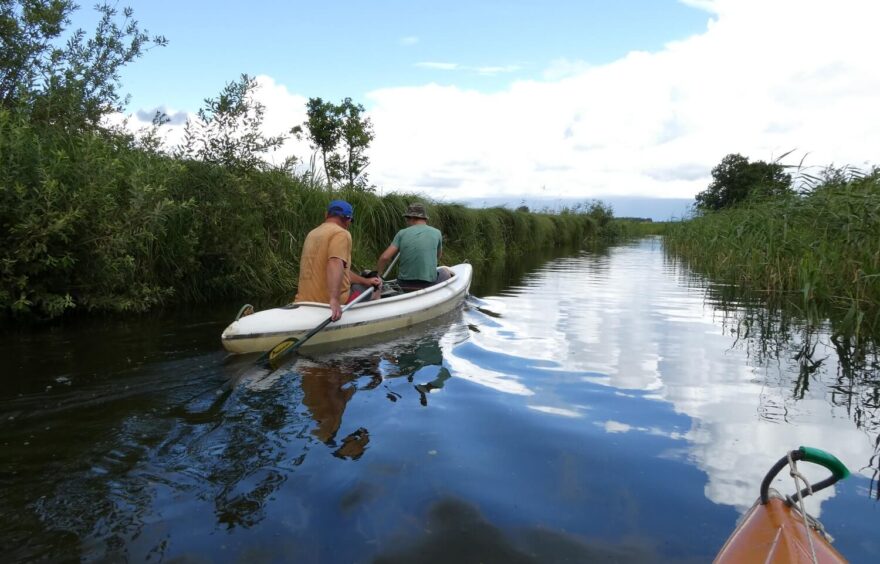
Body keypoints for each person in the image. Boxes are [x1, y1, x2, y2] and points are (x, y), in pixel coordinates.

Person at [295, 200, 381, 321]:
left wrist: (366, 281)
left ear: (327, 215)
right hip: (328, 302)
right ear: (348, 220)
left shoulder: (312, 233)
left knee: (363, 284)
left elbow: (341, 270)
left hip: (304, 300)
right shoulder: (341, 233)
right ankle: (375, 317)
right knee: (377, 287)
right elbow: (335, 263)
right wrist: (334, 299)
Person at [377, 202, 445, 292]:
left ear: (412, 218)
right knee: (445, 272)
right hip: (428, 284)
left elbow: (385, 257)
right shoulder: (437, 233)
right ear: (425, 218)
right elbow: (438, 256)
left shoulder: (402, 233)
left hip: (404, 284)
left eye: (407, 219)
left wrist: (377, 275)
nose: (407, 221)